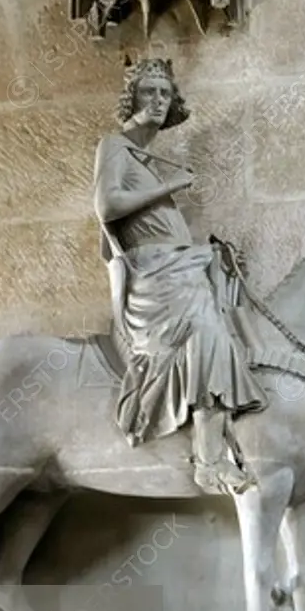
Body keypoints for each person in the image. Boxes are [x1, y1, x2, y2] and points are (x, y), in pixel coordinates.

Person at [93, 57, 266, 494]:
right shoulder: (114, 146)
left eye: (164, 93)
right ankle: (208, 465)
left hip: (176, 267)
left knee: (224, 327)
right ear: (132, 97)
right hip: (152, 275)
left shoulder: (148, 156)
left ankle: (221, 441)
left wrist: (207, 254)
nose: (157, 100)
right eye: (148, 91)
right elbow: (107, 206)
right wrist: (169, 186)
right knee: (206, 334)